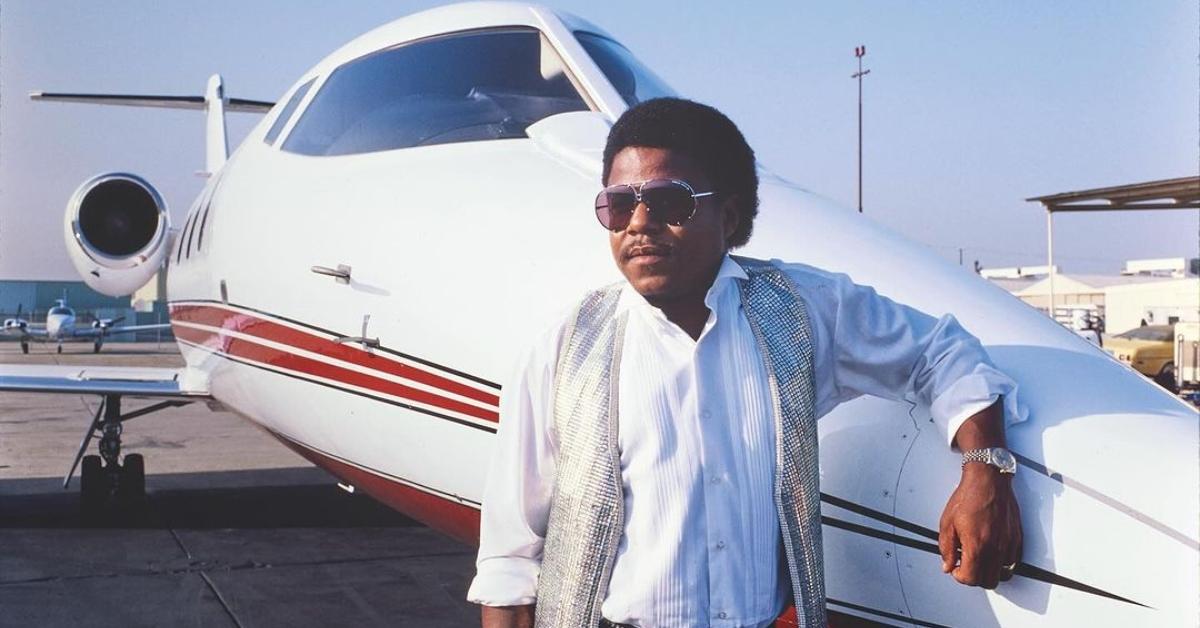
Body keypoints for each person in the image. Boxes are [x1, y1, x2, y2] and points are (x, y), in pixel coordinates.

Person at [468, 98, 1024, 628]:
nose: (638, 223)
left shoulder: (804, 311)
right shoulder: (562, 350)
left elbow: (941, 350)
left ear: (728, 216)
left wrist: (985, 470)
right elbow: (509, 557)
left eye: (667, 201)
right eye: (617, 205)